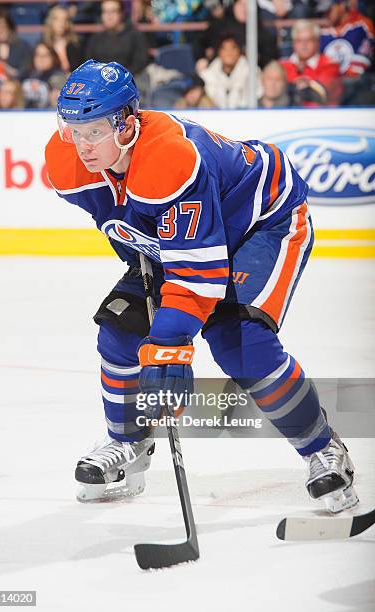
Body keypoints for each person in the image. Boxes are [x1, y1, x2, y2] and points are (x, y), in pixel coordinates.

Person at [45, 59, 359, 514]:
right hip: (189, 234)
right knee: (120, 330)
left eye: (95, 130)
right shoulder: (66, 160)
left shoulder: (170, 158)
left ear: (128, 123)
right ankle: (128, 444)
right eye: (73, 129)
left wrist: (171, 343)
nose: (82, 144)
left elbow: (198, 276)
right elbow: (121, 225)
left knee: (239, 340)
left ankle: (322, 448)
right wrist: (152, 303)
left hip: (261, 223)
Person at [281, 20, 342, 106]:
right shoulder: (282, 67)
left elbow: (322, 93)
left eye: (308, 40)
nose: (304, 45)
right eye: (299, 41)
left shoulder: (330, 65)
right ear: (293, 43)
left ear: (317, 42)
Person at [85, 1, 150, 77]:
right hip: (100, 82)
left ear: (121, 13)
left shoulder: (135, 36)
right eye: (105, 12)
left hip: (128, 80)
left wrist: (119, 77)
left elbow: (140, 63)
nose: (109, 16)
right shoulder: (95, 38)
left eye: (113, 11)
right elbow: (89, 64)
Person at [199, 35, 263, 108]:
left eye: (233, 48)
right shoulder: (208, 75)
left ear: (239, 51)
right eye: (224, 48)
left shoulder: (253, 72)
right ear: (219, 52)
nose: (229, 52)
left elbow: (258, 95)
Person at [320, 0, 375, 77]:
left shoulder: (361, 25)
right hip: (328, 85)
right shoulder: (320, 32)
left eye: (329, 10)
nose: (325, 15)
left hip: (357, 84)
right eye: (323, 12)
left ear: (342, 6)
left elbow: (360, 66)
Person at [0, 8, 32, 80]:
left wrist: (6, 68)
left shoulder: (23, 46)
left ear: (10, 27)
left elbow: (25, 72)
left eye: (2, 26)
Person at [22, 42, 65, 108]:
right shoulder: (27, 74)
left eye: (45, 56)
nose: (40, 59)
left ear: (53, 58)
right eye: (38, 55)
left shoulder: (58, 77)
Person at [42, 5, 84, 73]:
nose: (62, 23)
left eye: (65, 19)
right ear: (50, 22)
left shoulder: (77, 44)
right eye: (57, 19)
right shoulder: (43, 45)